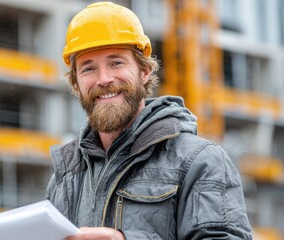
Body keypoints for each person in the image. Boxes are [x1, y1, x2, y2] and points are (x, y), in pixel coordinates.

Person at [46, 2, 252, 240]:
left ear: (144, 72)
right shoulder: (66, 175)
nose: (103, 79)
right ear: (75, 85)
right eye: (88, 68)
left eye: (116, 63)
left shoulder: (200, 161)